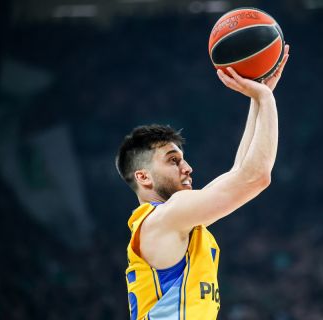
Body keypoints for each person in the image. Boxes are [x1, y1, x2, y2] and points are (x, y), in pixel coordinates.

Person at [116, 45, 289, 320]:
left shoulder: (174, 222)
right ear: (143, 176)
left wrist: (257, 99)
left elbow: (239, 171)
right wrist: (266, 100)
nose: (187, 168)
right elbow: (256, 176)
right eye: (173, 160)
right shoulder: (166, 218)